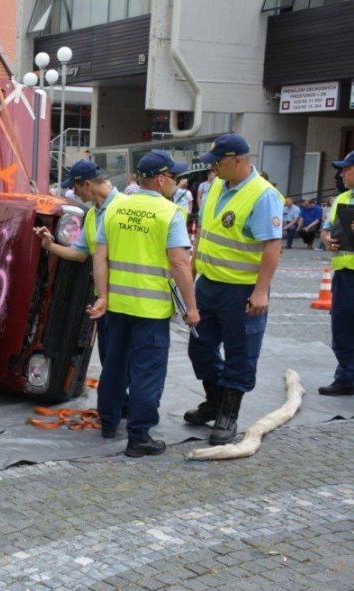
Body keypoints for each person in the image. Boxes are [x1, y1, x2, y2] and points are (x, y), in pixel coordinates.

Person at [88, 150, 199, 457]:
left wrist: (103, 296)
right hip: (151, 310)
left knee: (114, 365)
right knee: (146, 372)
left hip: (117, 305)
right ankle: (138, 436)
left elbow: (100, 257)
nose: (176, 182)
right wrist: (191, 307)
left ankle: (109, 421)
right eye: (173, 176)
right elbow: (180, 263)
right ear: (161, 179)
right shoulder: (170, 213)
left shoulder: (115, 208)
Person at [185, 133, 283, 445]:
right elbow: (204, 233)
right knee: (199, 347)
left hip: (241, 290)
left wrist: (261, 291)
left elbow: (272, 246)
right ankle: (214, 401)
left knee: (240, 353)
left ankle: (228, 414)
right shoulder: (216, 185)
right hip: (208, 284)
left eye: (217, 163)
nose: (212, 169)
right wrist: (192, 271)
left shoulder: (263, 195)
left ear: (237, 161)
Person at [33, 160, 129, 435]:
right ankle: (119, 409)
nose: (73, 193)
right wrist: (50, 245)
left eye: (75, 188)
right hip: (105, 302)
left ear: (87, 184)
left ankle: (118, 415)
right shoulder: (92, 215)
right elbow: (80, 253)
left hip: (128, 299)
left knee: (126, 362)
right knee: (111, 360)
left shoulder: (124, 208)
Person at [317, 151, 354, 396]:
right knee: (342, 326)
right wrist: (326, 239)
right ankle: (347, 377)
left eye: (346, 169)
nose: (341, 174)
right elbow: (326, 229)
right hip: (345, 274)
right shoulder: (342, 198)